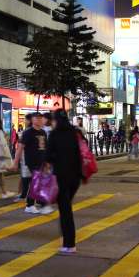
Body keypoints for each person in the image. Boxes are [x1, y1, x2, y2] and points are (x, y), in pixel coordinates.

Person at [45, 109, 82, 254]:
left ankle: (69, 243)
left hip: (61, 177)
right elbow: (80, 152)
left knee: (65, 211)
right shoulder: (74, 132)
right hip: (75, 177)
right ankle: (67, 237)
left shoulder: (54, 134)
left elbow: (48, 156)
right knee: (66, 208)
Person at [11, 112, 52, 214]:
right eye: (37, 118)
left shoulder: (43, 132)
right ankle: (33, 205)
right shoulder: (28, 133)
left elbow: (45, 148)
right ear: (32, 120)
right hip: (32, 161)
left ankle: (36, 204)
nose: (39, 120)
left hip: (41, 161)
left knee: (38, 182)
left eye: (40, 118)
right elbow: (20, 148)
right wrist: (15, 163)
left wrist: (47, 162)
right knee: (37, 182)